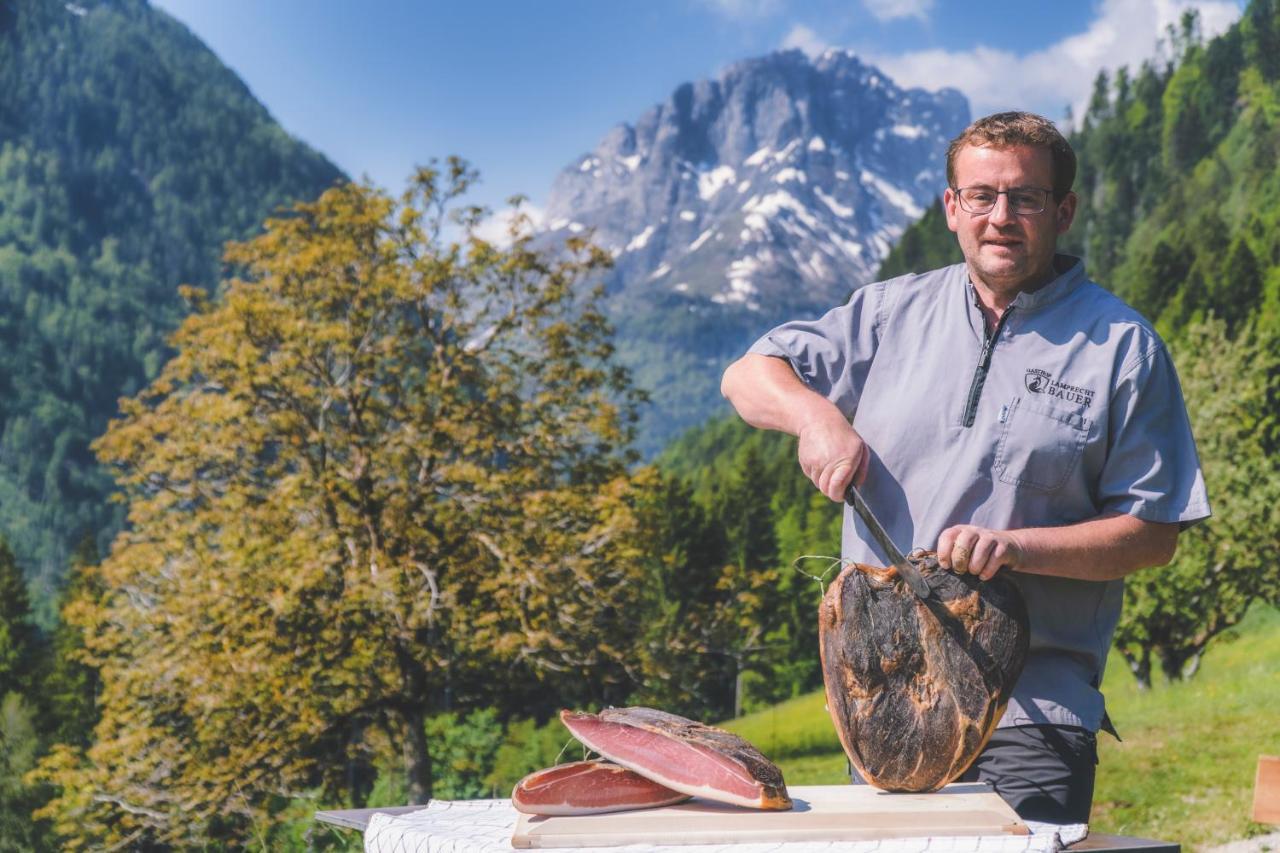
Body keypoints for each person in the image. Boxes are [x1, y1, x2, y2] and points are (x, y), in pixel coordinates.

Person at [720, 111, 1209, 823]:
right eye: (981, 195)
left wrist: (1016, 547)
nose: (1001, 216)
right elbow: (747, 374)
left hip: (1033, 708)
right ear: (952, 208)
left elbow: (1152, 532)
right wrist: (816, 417)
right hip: (884, 707)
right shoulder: (889, 313)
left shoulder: (1123, 349)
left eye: (1026, 197)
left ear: (1063, 211)